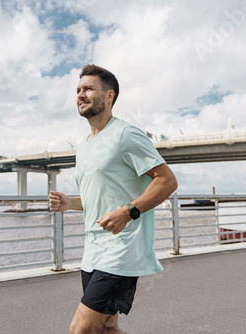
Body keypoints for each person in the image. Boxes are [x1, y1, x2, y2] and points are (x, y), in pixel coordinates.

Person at [49, 64, 178, 334]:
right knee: (106, 328)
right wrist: (70, 203)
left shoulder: (126, 134)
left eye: (88, 89)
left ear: (109, 96)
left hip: (122, 250)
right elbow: (101, 197)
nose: (81, 94)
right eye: (78, 90)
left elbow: (166, 180)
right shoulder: (83, 146)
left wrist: (128, 211)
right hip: (93, 251)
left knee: (80, 330)